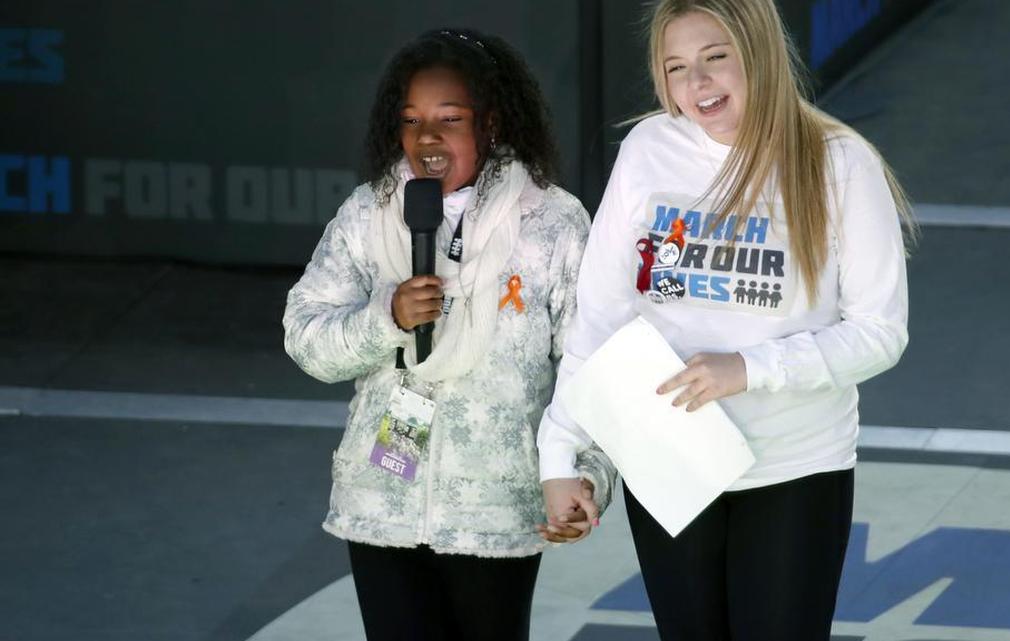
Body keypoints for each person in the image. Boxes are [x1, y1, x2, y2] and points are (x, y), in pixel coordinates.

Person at [537, 0, 916, 639]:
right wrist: (558, 451)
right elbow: (599, 312)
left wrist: (749, 370)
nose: (698, 84)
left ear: (759, 54)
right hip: (667, 458)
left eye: (717, 59)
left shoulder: (840, 162)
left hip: (796, 467)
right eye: (677, 67)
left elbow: (881, 333)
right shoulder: (648, 149)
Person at [282, 28, 612, 641]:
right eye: (410, 120)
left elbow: (591, 366)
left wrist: (586, 474)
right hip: (382, 498)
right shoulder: (368, 212)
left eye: (449, 119)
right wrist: (386, 318)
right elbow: (305, 338)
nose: (426, 137)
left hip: (497, 507)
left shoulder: (553, 222)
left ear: (491, 123)